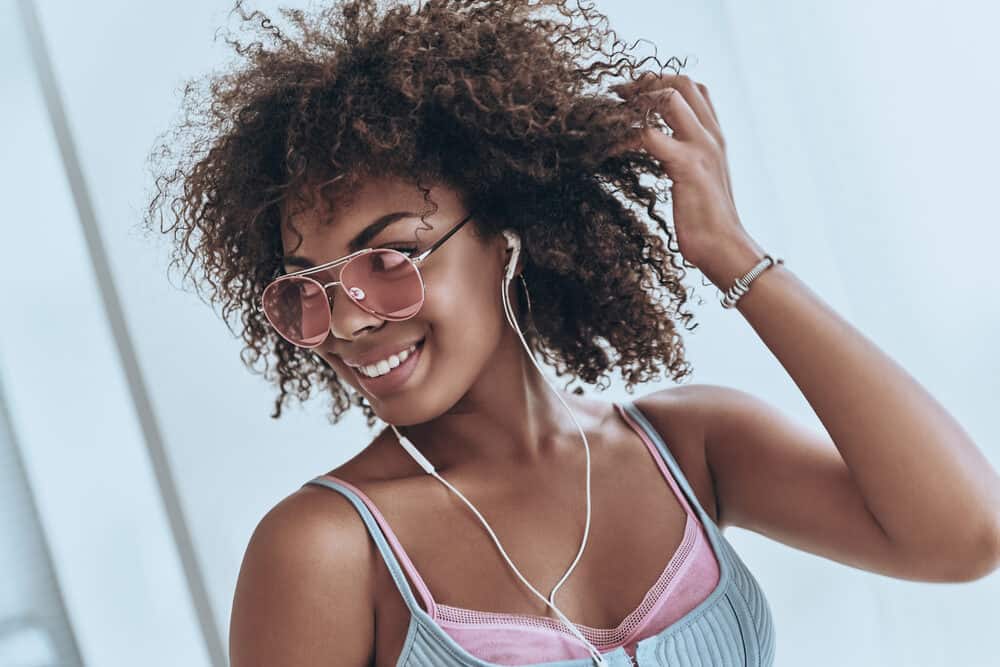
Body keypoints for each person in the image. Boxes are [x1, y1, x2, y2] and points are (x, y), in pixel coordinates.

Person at [144, 1, 1000, 665]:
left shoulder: (690, 447)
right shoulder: (325, 551)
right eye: (311, 290)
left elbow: (963, 533)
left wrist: (729, 252)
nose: (352, 319)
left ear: (505, 235)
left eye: (391, 256)